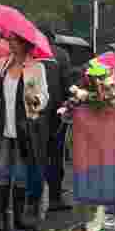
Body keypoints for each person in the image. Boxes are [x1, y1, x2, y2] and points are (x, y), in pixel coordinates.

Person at [0, 33, 49, 231]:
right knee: (2, 173)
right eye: (9, 40)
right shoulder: (2, 64)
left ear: (24, 43)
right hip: (4, 128)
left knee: (22, 175)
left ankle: (20, 218)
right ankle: (2, 222)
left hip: (25, 129)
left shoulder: (36, 67)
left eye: (14, 40)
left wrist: (37, 99)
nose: (10, 44)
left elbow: (45, 97)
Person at [40, 27, 73, 212]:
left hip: (32, 115)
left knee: (35, 156)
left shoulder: (30, 54)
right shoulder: (61, 54)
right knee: (56, 156)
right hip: (56, 115)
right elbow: (67, 85)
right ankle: (54, 197)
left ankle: (33, 199)